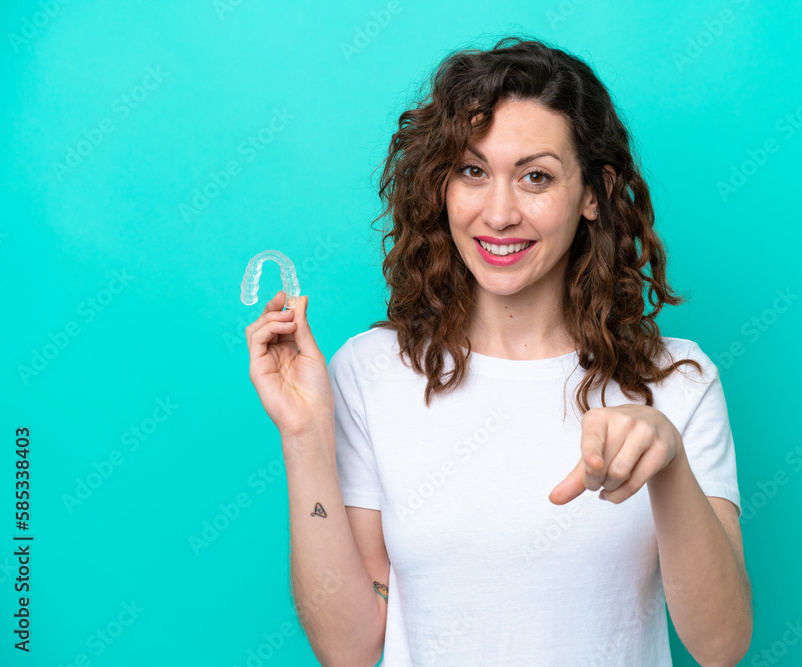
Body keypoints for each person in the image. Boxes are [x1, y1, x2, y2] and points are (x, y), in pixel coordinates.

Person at [246, 35, 752, 667]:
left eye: (535, 176)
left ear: (595, 192)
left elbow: (722, 645)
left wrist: (668, 463)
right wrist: (303, 434)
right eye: (473, 171)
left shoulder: (679, 381)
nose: (500, 212)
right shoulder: (369, 372)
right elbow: (348, 647)